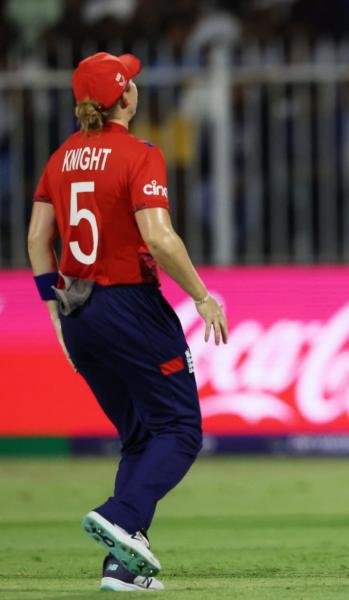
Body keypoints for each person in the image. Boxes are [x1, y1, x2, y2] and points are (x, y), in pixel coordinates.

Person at [26, 51, 228, 592]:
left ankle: (123, 566)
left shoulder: (61, 156)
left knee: (140, 437)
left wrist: (53, 311)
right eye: (131, 82)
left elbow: (35, 239)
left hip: (79, 312)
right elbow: (160, 239)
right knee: (181, 431)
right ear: (126, 98)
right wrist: (202, 296)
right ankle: (120, 514)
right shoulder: (140, 154)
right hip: (131, 307)